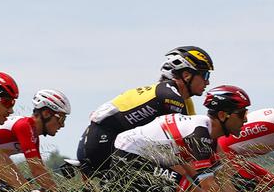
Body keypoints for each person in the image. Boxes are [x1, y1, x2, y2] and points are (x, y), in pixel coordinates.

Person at [100, 85, 251, 192]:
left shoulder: (209, 136)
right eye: (241, 114)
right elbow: (207, 185)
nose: (246, 119)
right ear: (222, 115)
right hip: (131, 157)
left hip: (140, 157)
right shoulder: (200, 133)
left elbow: (221, 178)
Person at [70, 46, 213, 179]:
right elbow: (182, 146)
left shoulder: (177, 97)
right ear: (187, 75)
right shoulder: (171, 97)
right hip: (102, 144)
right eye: (205, 75)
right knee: (180, 182)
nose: (208, 83)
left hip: (100, 141)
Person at [0, 89, 70, 192]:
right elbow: (37, 170)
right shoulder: (25, 126)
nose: (62, 125)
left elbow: (40, 170)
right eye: (61, 119)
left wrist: (29, 189)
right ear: (46, 113)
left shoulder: (33, 135)